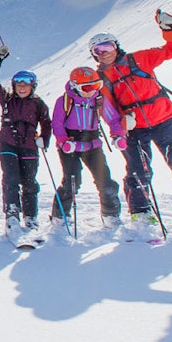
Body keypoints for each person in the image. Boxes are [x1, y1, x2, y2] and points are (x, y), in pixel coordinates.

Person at [91, 10, 172, 233]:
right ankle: (141, 213)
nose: (104, 53)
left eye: (108, 47)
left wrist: (168, 29)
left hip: (164, 120)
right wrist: (123, 122)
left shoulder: (140, 58)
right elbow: (107, 110)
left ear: (116, 46)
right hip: (134, 130)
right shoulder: (100, 78)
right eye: (98, 50)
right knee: (138, 172)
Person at [0, 48, 51, 239]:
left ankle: (30, 217)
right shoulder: (7, 100)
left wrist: (44, 139)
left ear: (33, 86)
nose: (22, 87)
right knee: (11, 179)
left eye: (26, 84)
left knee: (30, 182)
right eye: (18, 84)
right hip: (8, 144)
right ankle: (12, 215)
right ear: (14, 86)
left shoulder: (39, 104)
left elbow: (47, 123)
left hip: (30, 146)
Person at [50, 67, 125, 228]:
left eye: (96, 86)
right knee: (72, 181)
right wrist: (63, 141)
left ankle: (110, 215)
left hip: (92, 144)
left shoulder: (99, 100)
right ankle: (60, 216)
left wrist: (118, 135)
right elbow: (56, 123)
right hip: (70, 145)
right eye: (87, 88)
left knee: (104, 180)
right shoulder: (64, 101)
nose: (92, 91)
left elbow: (113, 120)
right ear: (75, 86)